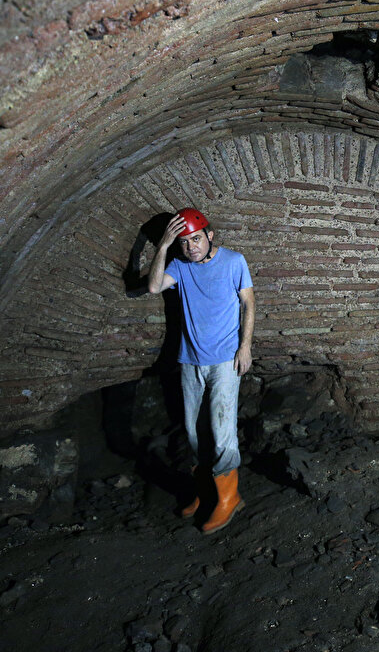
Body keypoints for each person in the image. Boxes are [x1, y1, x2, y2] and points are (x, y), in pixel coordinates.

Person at [147, 207, 255, 534]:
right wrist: (163, 247)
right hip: (190, 359)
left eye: (196, 239)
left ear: (209, 235)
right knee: (194, 431)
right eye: (184, 242)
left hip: (224, 359)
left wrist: (245, 346)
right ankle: (206, 491)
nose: (191, 246)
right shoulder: (179, 266)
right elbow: (153, 287)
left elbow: (249, 303)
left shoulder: (234, 261)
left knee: (222, 430)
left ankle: (229, 497)